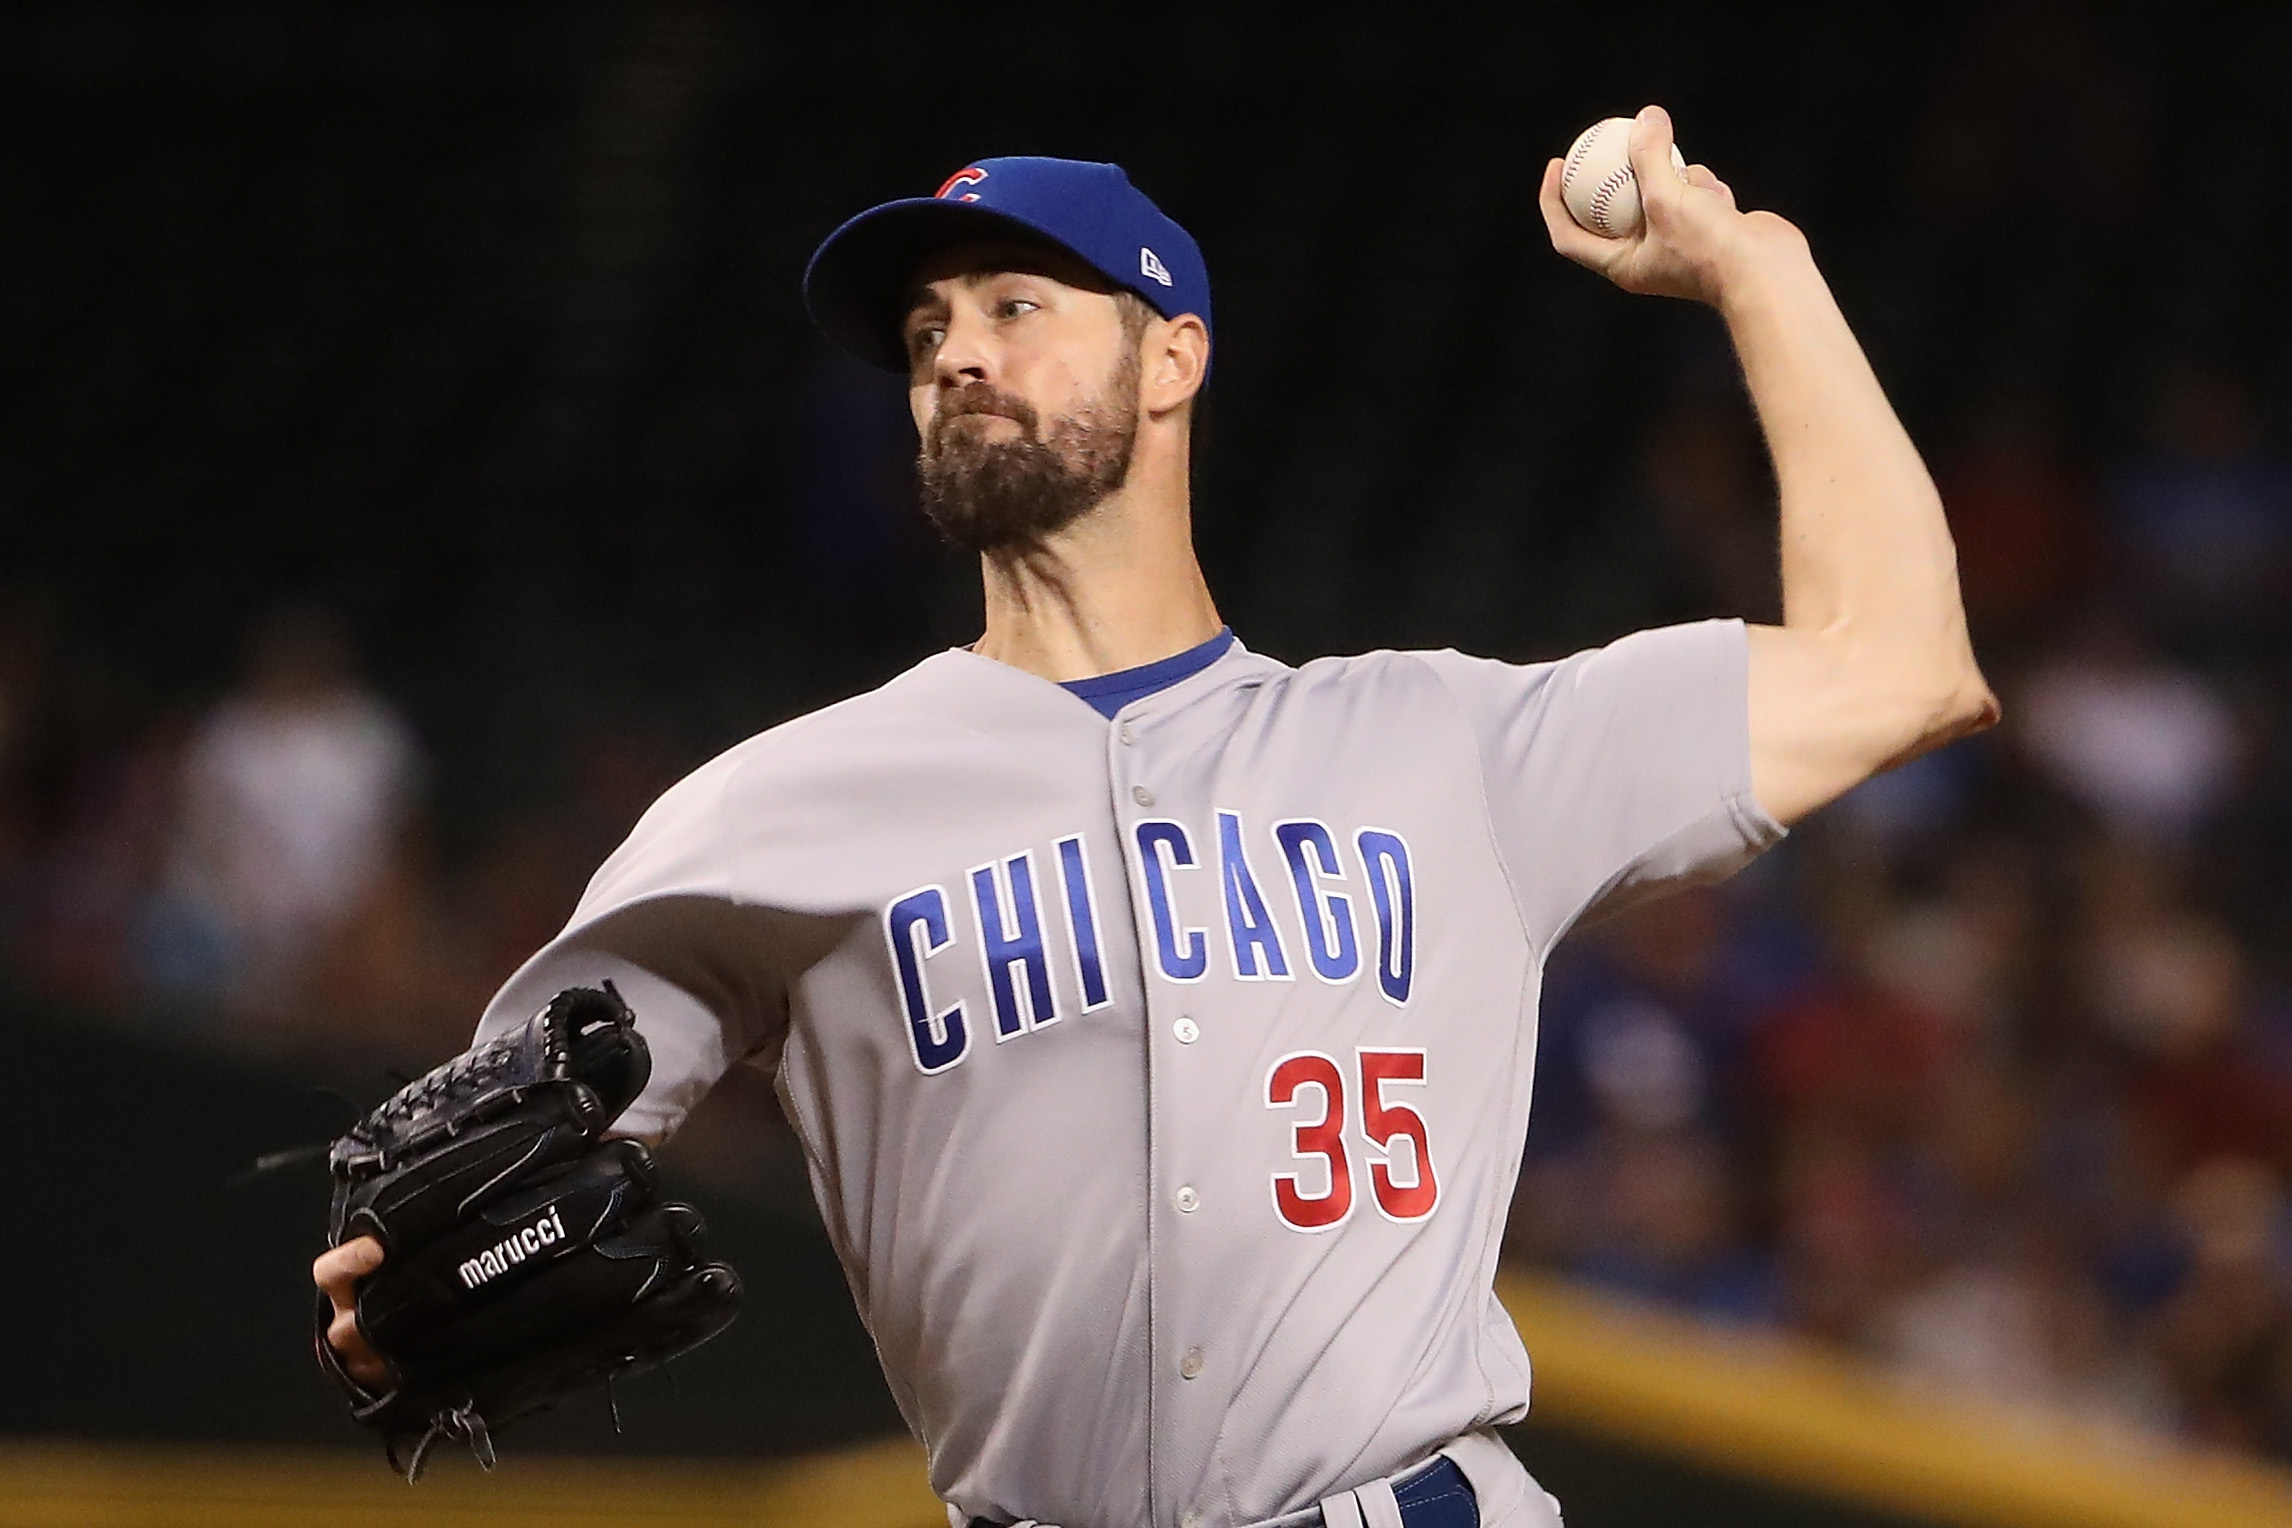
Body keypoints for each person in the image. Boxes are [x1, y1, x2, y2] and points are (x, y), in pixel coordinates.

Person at [317, 111, 1995, 1528]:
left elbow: (1901, 664)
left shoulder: (1446, 743)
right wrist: (393, 1292)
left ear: (1172, 353)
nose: (956, 351)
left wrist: (1754, 264)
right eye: (924, 337)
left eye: (1013, 305)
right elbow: (486, 1168)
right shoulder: (776, 808)